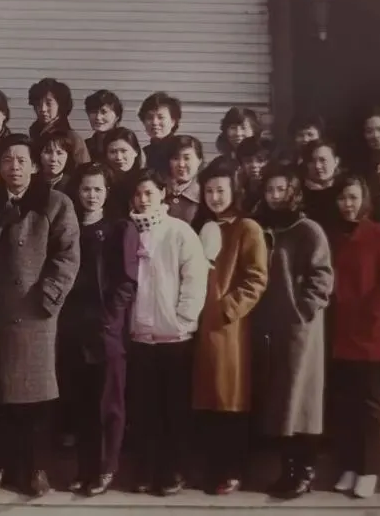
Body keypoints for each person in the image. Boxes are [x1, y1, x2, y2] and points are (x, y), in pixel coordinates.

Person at [0, 134, 80, 498]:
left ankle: (34, 469)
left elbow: (67, 256)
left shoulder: (55, 203)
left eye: (21, 160)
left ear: (34, 165)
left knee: (34, 400)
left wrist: (46, 299)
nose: (14, 167)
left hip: (35, 315)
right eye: (7, 160)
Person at [125, 169, 208, 497]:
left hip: (174, 338)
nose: (143, 199)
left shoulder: (180, 231)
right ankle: (145, 470)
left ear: (162, 193)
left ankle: (174, 470)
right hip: (140, 337)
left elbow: (195, 278)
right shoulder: (128, 231)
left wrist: (182, 320)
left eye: (149, 192)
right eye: (138, 194)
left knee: (174, 409)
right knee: (144, 409)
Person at [253, 163, 333, 499]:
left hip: (301, 330)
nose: (275, 196)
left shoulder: (308, 230)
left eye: (281, 189)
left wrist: (302, 310)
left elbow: (321, 276)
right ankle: (287, 469)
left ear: (293, 192)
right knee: (280, 401)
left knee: (302, 401)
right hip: (271, 327)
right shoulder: (262, 227)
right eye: (269, 189)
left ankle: (305, 471)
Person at [60, 163, 139, 497]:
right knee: (81, 402)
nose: (91, 196)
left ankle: (106, 468)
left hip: (106, 327)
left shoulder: (120, 228)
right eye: (85, 189)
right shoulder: (70, 226)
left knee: (108, 403)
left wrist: (111, 318)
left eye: (97, 189)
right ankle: (85, 468)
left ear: (107, 192)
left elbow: (127, 280)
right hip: (74, 326)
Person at [329, 174, 380, 499]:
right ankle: (349, 466)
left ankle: (369, 469)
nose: (347, 204)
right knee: (344, 405)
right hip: (339, 334)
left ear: (364, 199)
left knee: (369, 407)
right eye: (342, 198)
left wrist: (373, 309)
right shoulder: (334, 236)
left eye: (353, 197)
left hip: (369, 334)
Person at [191, 160, 268, 495]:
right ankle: (211, 467)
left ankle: (233, 469)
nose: (214, 197)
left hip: (229, 329)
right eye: (209, 190)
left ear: (235, 191)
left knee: (230, 399)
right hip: (199, 324)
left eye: (221, 190)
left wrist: (226, 309)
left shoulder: (247, 228)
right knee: (207, 400)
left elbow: (256, 279)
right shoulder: (203, 227)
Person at [27, 78, 89, 166]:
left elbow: (85, 170)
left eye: (48, 104)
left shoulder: (73, 139)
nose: (43, 109)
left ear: (60, 105)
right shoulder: (34, 133)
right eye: (38, 104)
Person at [300, 139, 343, 237]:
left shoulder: (346, 188)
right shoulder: (298, 192)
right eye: (312, 161)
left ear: (336, 161)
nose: (317, 166)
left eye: (323, 160)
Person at [137, 91, 181, 177]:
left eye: (161, 117)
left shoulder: (181, 149)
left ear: (173, 121)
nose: (154, 122)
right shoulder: (144, 153)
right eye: (149, 117)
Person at [166, 135, 204, 224]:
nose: (181, 164)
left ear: (199, 161)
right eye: (175, 158)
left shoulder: (205, 194)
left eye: (187, 158)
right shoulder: (159, 190)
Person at [83, 89, 124, 161]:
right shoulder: (85, 146)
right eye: (93, 112)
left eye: (104, 112)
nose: (98, 117)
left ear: (117, 116)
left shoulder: (126, 145)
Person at [36, 129, 79, 193]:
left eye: (59, 153)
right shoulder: (30, 183)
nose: (53, 159)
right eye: (48, 152)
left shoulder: (75, 186)